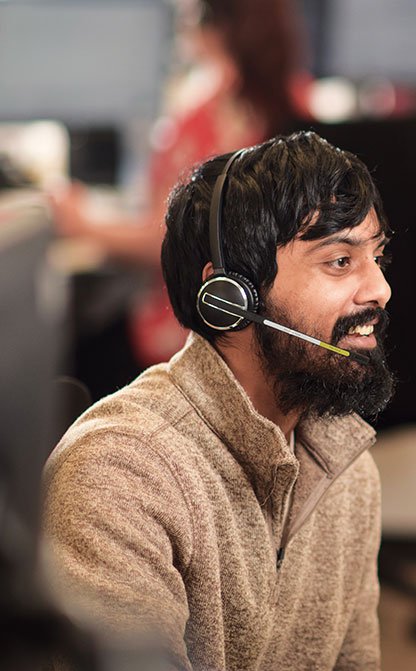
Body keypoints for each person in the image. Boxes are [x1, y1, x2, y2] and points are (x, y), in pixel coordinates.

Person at [12, 131, 396, 671]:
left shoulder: (346, 465)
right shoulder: (123, 470)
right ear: (230, 300)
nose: (380, 289)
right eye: (339, 261)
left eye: (376, 257)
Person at [50, 0, 310, 396]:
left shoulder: (203, 116)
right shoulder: (296, 103)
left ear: (213, 27)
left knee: (73, 353)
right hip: (265, 328)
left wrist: (82, 224)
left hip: (193, 334)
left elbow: (166, 242)